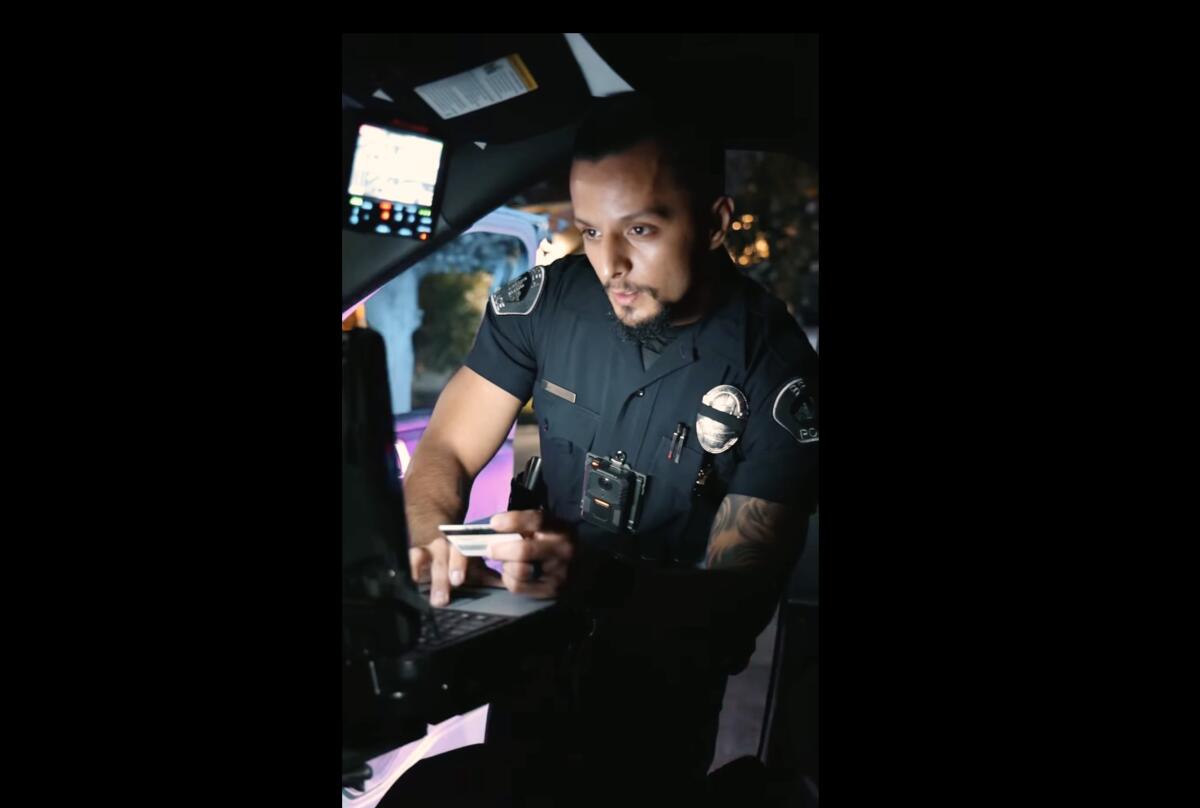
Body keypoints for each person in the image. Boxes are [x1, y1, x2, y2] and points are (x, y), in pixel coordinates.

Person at [392, 92, 818, 804]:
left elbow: (732, 612)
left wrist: (591, 580)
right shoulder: (550, 302)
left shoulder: (775, 375)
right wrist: (426, 542)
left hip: (658, 703)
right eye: (589, 230)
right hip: (529, 665)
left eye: (640, 229)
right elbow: (448, 448)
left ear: (715, 223)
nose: (609, 262)